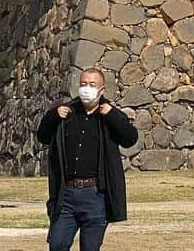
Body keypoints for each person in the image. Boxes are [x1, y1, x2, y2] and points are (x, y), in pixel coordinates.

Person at [37, 67, 138, 251]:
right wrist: (52, 116)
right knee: (57, 243)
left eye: (92, 84)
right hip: (66, 193)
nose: (87, 88)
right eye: (83, 84)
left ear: (102, 90)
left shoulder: (108, 114)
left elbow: (130, 139)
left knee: (90, 247)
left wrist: (113, 115)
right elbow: (42, 136)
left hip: (95, 194)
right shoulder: (66, 113)